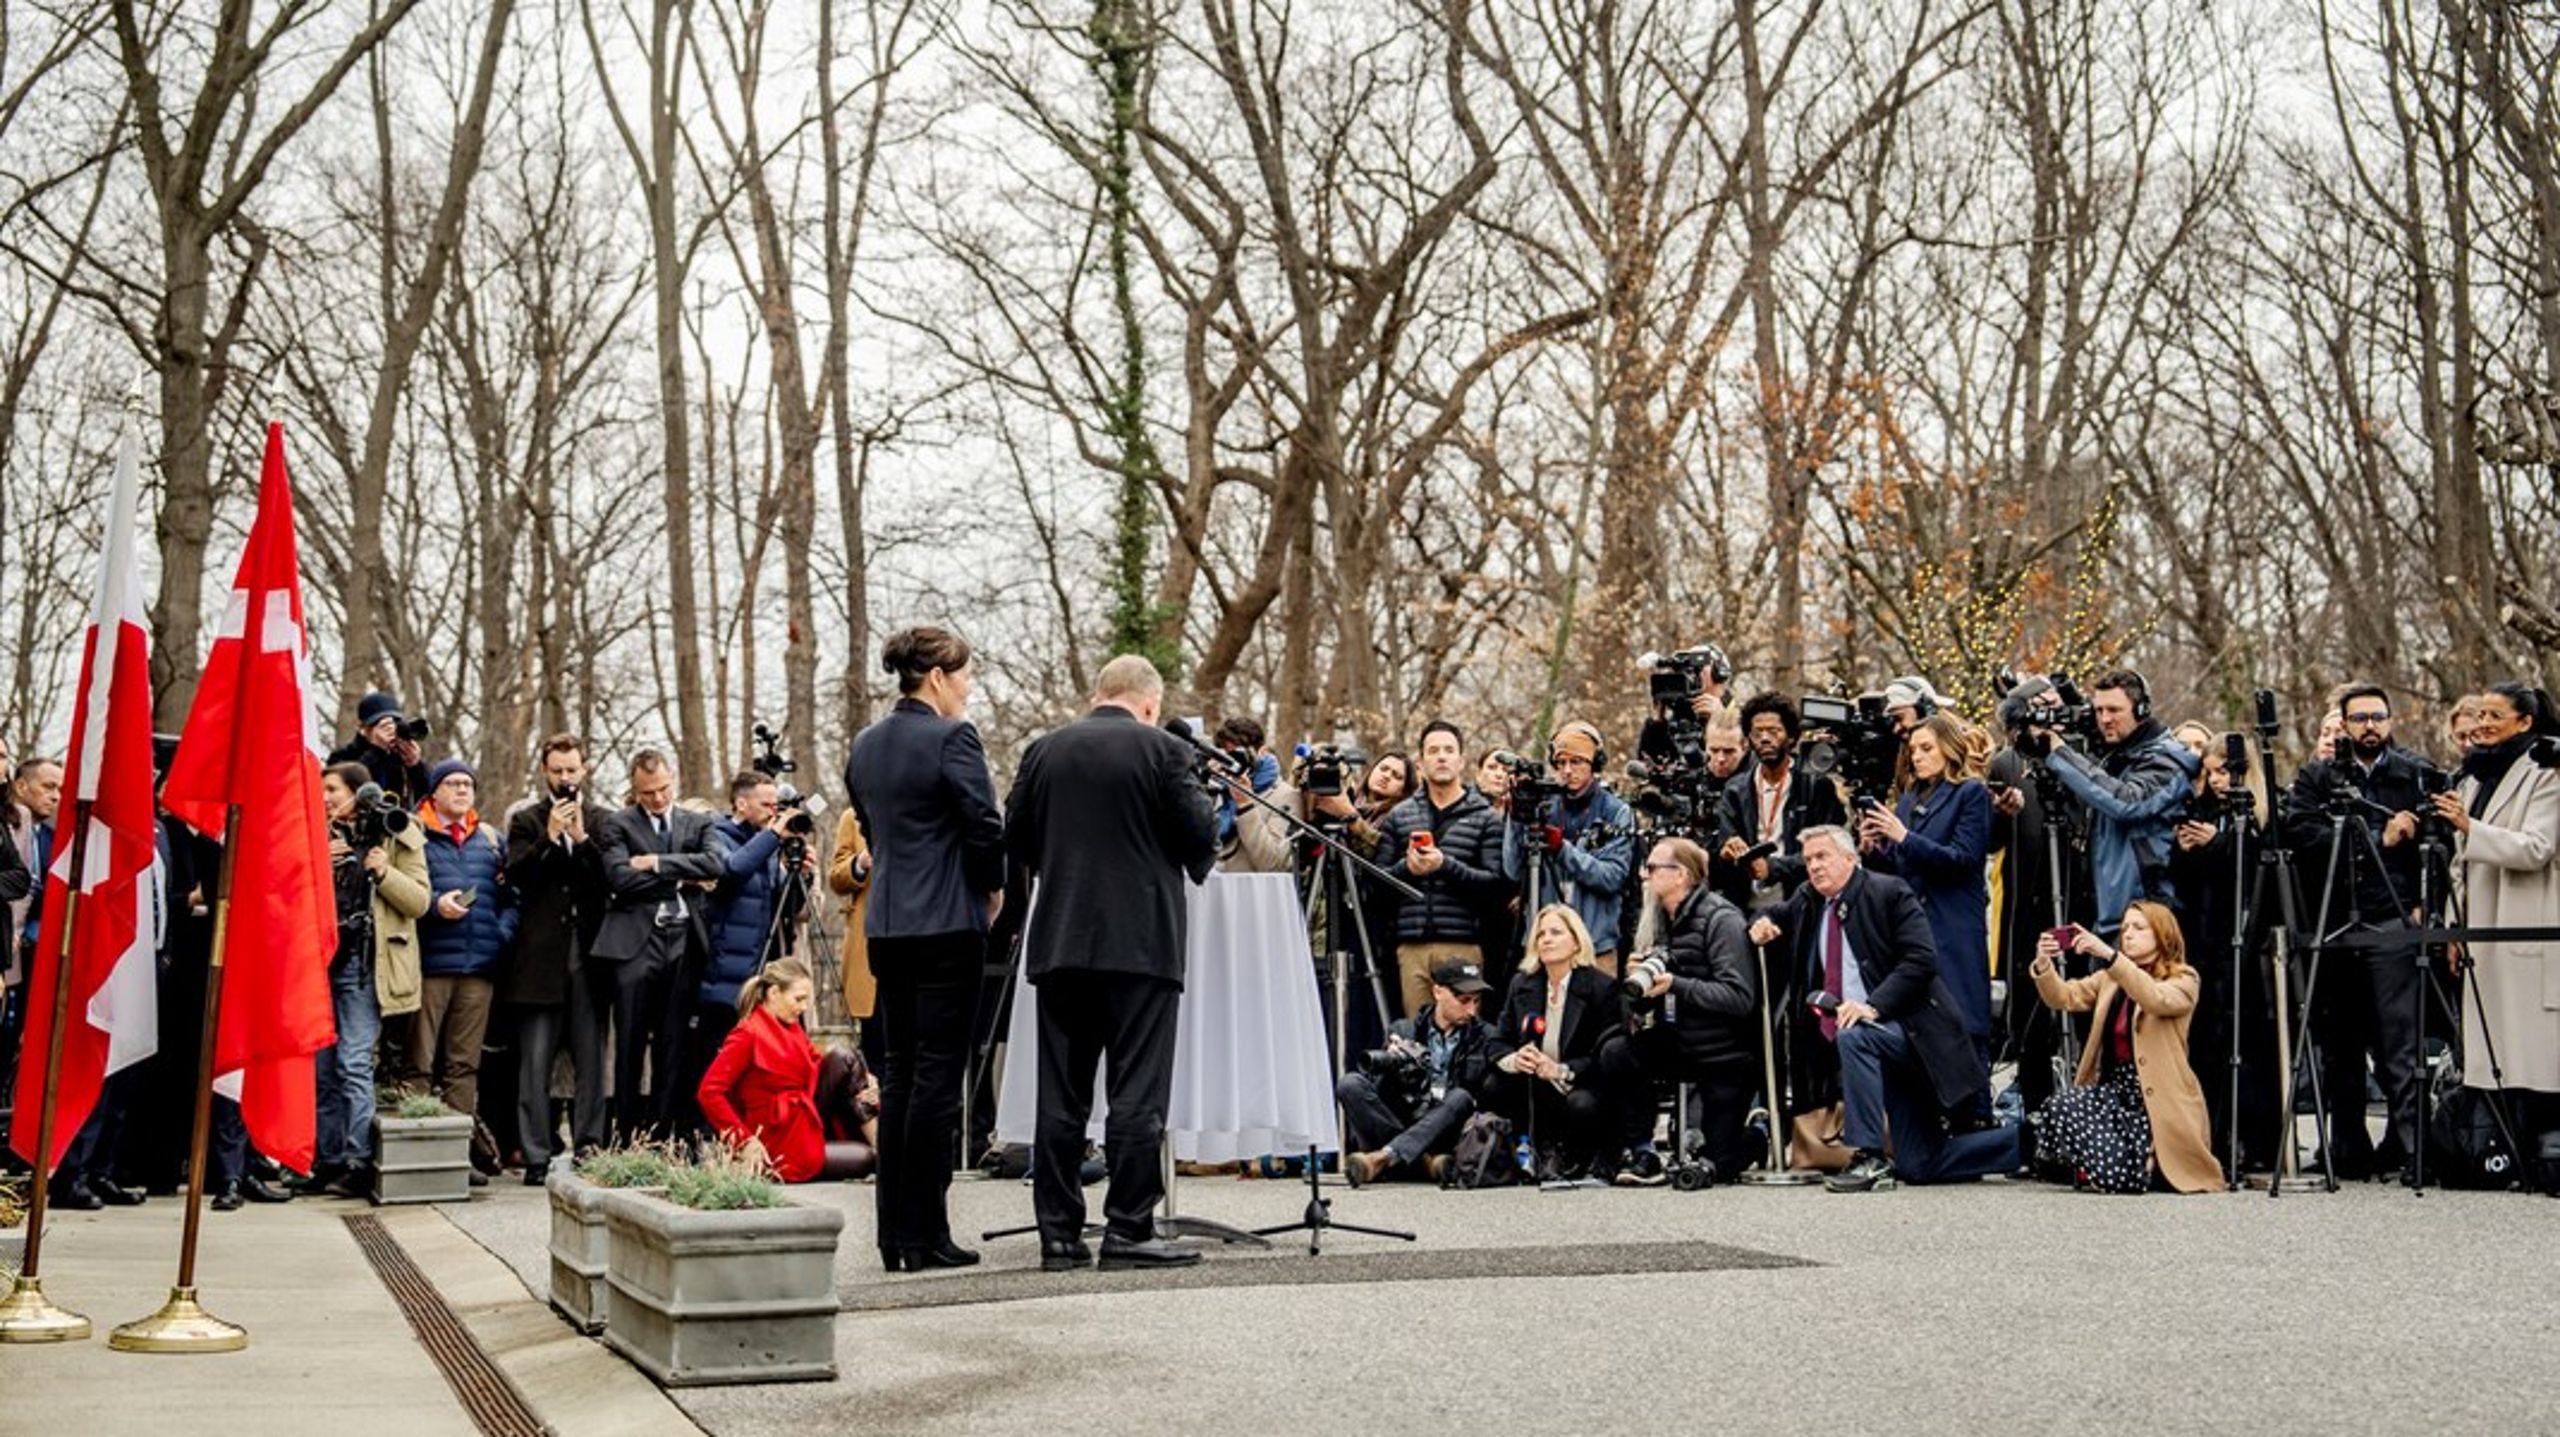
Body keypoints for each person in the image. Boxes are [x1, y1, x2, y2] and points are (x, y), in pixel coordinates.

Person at [1004, 654, 1219, 1273]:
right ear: (1150, 704)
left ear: (1098, 695)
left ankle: (1059, 1236)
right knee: (1136, 1092)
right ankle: (1128, 1228)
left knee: (1061, 1095)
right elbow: (1200, 837)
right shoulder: (1163, 752)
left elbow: (1014, 837)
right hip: (1142, 945)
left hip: (1063, 940)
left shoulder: (1044, 751)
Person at [844, 626, 1007, 1273]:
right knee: (939, 1078)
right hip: (945, 923)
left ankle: (896, 1235)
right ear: (937, 676)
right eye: (964, 674)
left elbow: (876, 830)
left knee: (904, 1074)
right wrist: (990, 890)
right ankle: (928, 1232)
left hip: (886, 926)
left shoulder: (866, 745)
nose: (968, 686)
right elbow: (983, 822)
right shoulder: (953, 738)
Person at [1748, 827, 2008, 1192]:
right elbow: (1775, 915)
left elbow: (1921, 960)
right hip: (1870, 1036)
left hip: (1912, 1029)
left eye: (1823, 857)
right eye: (1808, 860)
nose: (1814, 867)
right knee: (1918, 1165)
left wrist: (1873, 1006)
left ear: (1850, 858)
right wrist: (1763, 924)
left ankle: (1869, 1156)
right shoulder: (1809, 898)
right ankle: (2019, 1144)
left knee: (1856, 1037)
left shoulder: (1889, 891)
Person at [2279, 683, 2432, 1180]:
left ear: (2390, 721)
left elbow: (2437, 841)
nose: (2370, 726)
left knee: (2399, 1045)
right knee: (2339, 1043)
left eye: (2378, 717)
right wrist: (2377, 840)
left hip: (2392, 917)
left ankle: (2414, 1150)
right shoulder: (2317, 777)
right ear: (2342, 723)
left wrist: (2423, 905)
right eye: (2359, 717)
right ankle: (2346, 1150)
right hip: (2335, 918)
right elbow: (2303, 835)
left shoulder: (2416, 774)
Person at [2432, 683, 2560, 1146]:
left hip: (2527, 922)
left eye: (2494, 716)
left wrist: (2470, 825)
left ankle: (2546, 1145)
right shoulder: (2472, 777)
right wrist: (2454, 927)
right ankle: (2500, 1146)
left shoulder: (2546, 772)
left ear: (2525, 722)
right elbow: (2458, 862)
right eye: (2479, 715)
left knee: (2533, 1047)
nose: (2482, 725)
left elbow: (2538, 848)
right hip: (2479, 927)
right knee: (2492, 1044)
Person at [1593, 837, 1761, 1184]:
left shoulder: (1720, 918)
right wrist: (1639, 985)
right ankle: (1643, 1150)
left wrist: (1676, 984)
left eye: (1653, 868)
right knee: (1617, 1052)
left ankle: (1759, 1135)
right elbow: (1649, 1001)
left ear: (1681, 875)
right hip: (1679, 1039)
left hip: (1723, 1051)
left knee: (1719, 1165)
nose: (1644, 874)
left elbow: (1740, 997)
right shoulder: (1658, 919)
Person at [2029, 903, 2224, 1193]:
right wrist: (2044, 964)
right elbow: (2065, 997)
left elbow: (2154, 998)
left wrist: (2110, 956)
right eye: (2124, 929)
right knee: (2060, 1105)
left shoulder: (2184, 979)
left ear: (2162, 935)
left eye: (2139, 928)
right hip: (2116, 1091)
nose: (2128, 935)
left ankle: (2140, 1166)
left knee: (2119, 1177)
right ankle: (2130, 1166)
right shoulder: (2110, 979)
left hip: (2158, 1099)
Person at [592, 750, 730, 1139]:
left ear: (675, 779)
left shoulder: (698, 822)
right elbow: (619, 878)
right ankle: (625, 1134)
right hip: (635, 944)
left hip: (685, 941)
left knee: (674, 1044)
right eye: (647, 792)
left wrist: (654, 862)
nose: (657, 798)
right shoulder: (617, 824)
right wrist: (684, 874)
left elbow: (715, 865)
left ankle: (663, 1135)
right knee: (631, 1044)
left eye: (664, 788)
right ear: (634, 790)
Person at [309, 761, 431, 1196]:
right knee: (321, 1072)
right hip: (321, 965)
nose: (325, 798)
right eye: (321, 789)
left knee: (353, 1064)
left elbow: (419, 901)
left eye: (333, 790)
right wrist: (322, 860)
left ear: (358, 794)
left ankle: (358, 1161)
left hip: (365, 967)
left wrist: (383, 871)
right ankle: (326, 1160)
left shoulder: (400, 833)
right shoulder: (318, 835)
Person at [678, 771, 816, 1137]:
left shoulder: (767, 845)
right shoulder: (717, 834)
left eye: (777, 804)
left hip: (757, 975)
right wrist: (773, 837)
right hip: (721, 976)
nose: (775, 811)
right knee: (714, 1069)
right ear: (741, 803)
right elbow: (730, 872)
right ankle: (702, 1140)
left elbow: (786, 909)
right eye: (767, 804)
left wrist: (802, 874)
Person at [2168, 730, 2279, 1171]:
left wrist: (2218, 844)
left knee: (2252, 1043)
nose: (2218, 781)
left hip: (2251, 942)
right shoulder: (2199, 811)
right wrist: (2188, 849)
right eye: (2210, 772)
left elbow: (2261, 865)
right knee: (2208, 1043)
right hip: (2204, 937)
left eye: (2226, 772)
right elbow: (2183, 879)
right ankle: (2212, 1136)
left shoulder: (2265, 813)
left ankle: (2260, 1142)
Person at [502, 735, 611, 1185]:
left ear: (584, 769)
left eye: (571, 770)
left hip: (589, 957)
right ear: (544, 771)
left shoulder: (604, 820)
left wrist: (582, 840)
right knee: (535, 1062)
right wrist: (548, 839)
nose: (565, 779)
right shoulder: (526, 820)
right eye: (557, 771)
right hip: (540, 960)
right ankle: (535, 1154)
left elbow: (608, 879)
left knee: (591, 1061)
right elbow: (517, 877)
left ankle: (589, 1146)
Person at [1859, 714, 1994, 1051]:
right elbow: (1900, 867)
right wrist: (1874, 849)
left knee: (1960, 1028)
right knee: (1916, 1033)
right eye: (1913, 749)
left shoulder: (1971, 793)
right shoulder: (1910, 797)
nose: (1916, 756)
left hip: (1953, 924)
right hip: (1911, 928)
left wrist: (1903, 837)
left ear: (1948, 749)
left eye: (1926, 748)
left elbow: (1962, 859)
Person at [2027, 669, 2197, 935]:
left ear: (2141, 710)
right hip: (2105, 918)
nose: (2105, 719)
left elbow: (2127, 802)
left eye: (2114, 710)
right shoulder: (2115, 757)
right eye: (2099, 710)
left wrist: (2060, 752)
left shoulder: (2168, 761)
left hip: (2149, 921)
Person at [412, 760, 518, 1181]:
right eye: (452, 783)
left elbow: (513, 897)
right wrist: (437, 904)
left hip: (479, 968)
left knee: (464, 1066)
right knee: (419, 1063)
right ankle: (418, 1152)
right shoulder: (416, 835)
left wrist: (500, 932)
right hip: (431, 965)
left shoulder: (492, 840)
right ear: (434, 792)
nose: (461, 790)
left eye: (468, 784)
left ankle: (455, 1156)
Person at [697, 958, 875, 1182]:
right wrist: (744, 1141)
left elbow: (824, 1065)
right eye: (798, 999)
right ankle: (885, 1154)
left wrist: (867, 1081)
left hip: (801, 1122)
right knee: (865, 1158)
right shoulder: (747, 1034)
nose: (803, 1007)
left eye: (806, 1000)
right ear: (773, 993)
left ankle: (886, 1151)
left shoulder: (791, 1028)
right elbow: (709, 1092)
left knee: (846, 1058)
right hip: (776, 1140)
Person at [1375, 720, 1509, 1016]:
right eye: (1433, 751)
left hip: (1463, 944)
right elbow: (1376, 883)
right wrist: (1407, 868)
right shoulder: (1399, 815)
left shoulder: (1485, 817)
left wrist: (1445, 865)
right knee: (1418, 1040)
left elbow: (1495, 886)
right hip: (1411, 948)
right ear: (1420, 763)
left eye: (1449, 750)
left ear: (1461, 761)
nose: (1441, 756)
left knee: (1463, 1036)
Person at [1490, 904, 1623, 1179]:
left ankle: (1577, 1155)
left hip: (1578, 1084)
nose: (1546, 939)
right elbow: (1497, 1041)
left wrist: (1560, 1069)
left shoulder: (1601, 987)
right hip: (1535, 1084)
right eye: (1541, 934)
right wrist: (1516, 1059)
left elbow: (1603, 1058)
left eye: (1556, 933)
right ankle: (1521, 1152)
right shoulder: (1522, 984)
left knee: (1582, 1104)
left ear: (1576, 942)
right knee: (1494, 1083)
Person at [1338, 960, 1500, 1186]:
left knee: (1461, 1097)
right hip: (1404, 1119)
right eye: (1463, 1001)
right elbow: (1378, 1091)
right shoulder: (1403, 1030)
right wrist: (1394, 1065)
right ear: (1438, 992)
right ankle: (1421, 1161)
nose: (1471, 1010)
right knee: (1350, 1084)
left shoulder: (1488, 1037)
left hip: (1446, 1128)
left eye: (1476, 1001)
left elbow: (1484, 1098)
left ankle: (1384, 1159)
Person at [1503, 722, 1637, 971]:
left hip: (1595, 949)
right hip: (1545, 947)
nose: (1567, 771)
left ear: (1594, 764)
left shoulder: (1615, 812)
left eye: (1577, 762)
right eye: (1561, 763)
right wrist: (1516, 816)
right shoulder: (1544, 806)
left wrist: (1561, 850)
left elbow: (1612, 877)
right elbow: (1513, 870)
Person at [1718, 692, 1845, 914]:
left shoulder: (1815, 786)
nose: (1765, 738)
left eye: (1774, 731)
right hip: (1746, 910)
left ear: (1791, 737)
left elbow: (1829, 850)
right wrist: (1727, 851)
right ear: (1748, 739)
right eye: (1757, 733)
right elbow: (1724, 846)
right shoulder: (1735, 790)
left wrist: (1773, 868)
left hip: (1802, 908)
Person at [824, 806, 882, 1086]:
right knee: (875, 1042)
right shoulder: (854, 817)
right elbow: (836, 877)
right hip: (869, 944)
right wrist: (860, 863)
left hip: (917, 940)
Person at [1211, 716, 1298, 874]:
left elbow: (1273, 863)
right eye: (1227, 757)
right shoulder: (1214, 788)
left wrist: (1245, 805)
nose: (1233, 764)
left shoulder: (1286, 796)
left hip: (1252, 893)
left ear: (1262, 752)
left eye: (1238, 756)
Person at [327, 691, 432, 807]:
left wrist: (415, 766)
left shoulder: (400, 756)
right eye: (381, 726)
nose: (390, 731)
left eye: (394, 723)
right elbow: (345, 791)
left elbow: (429, 797)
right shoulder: (342, 756)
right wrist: (376, 750)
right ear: (361, 728)